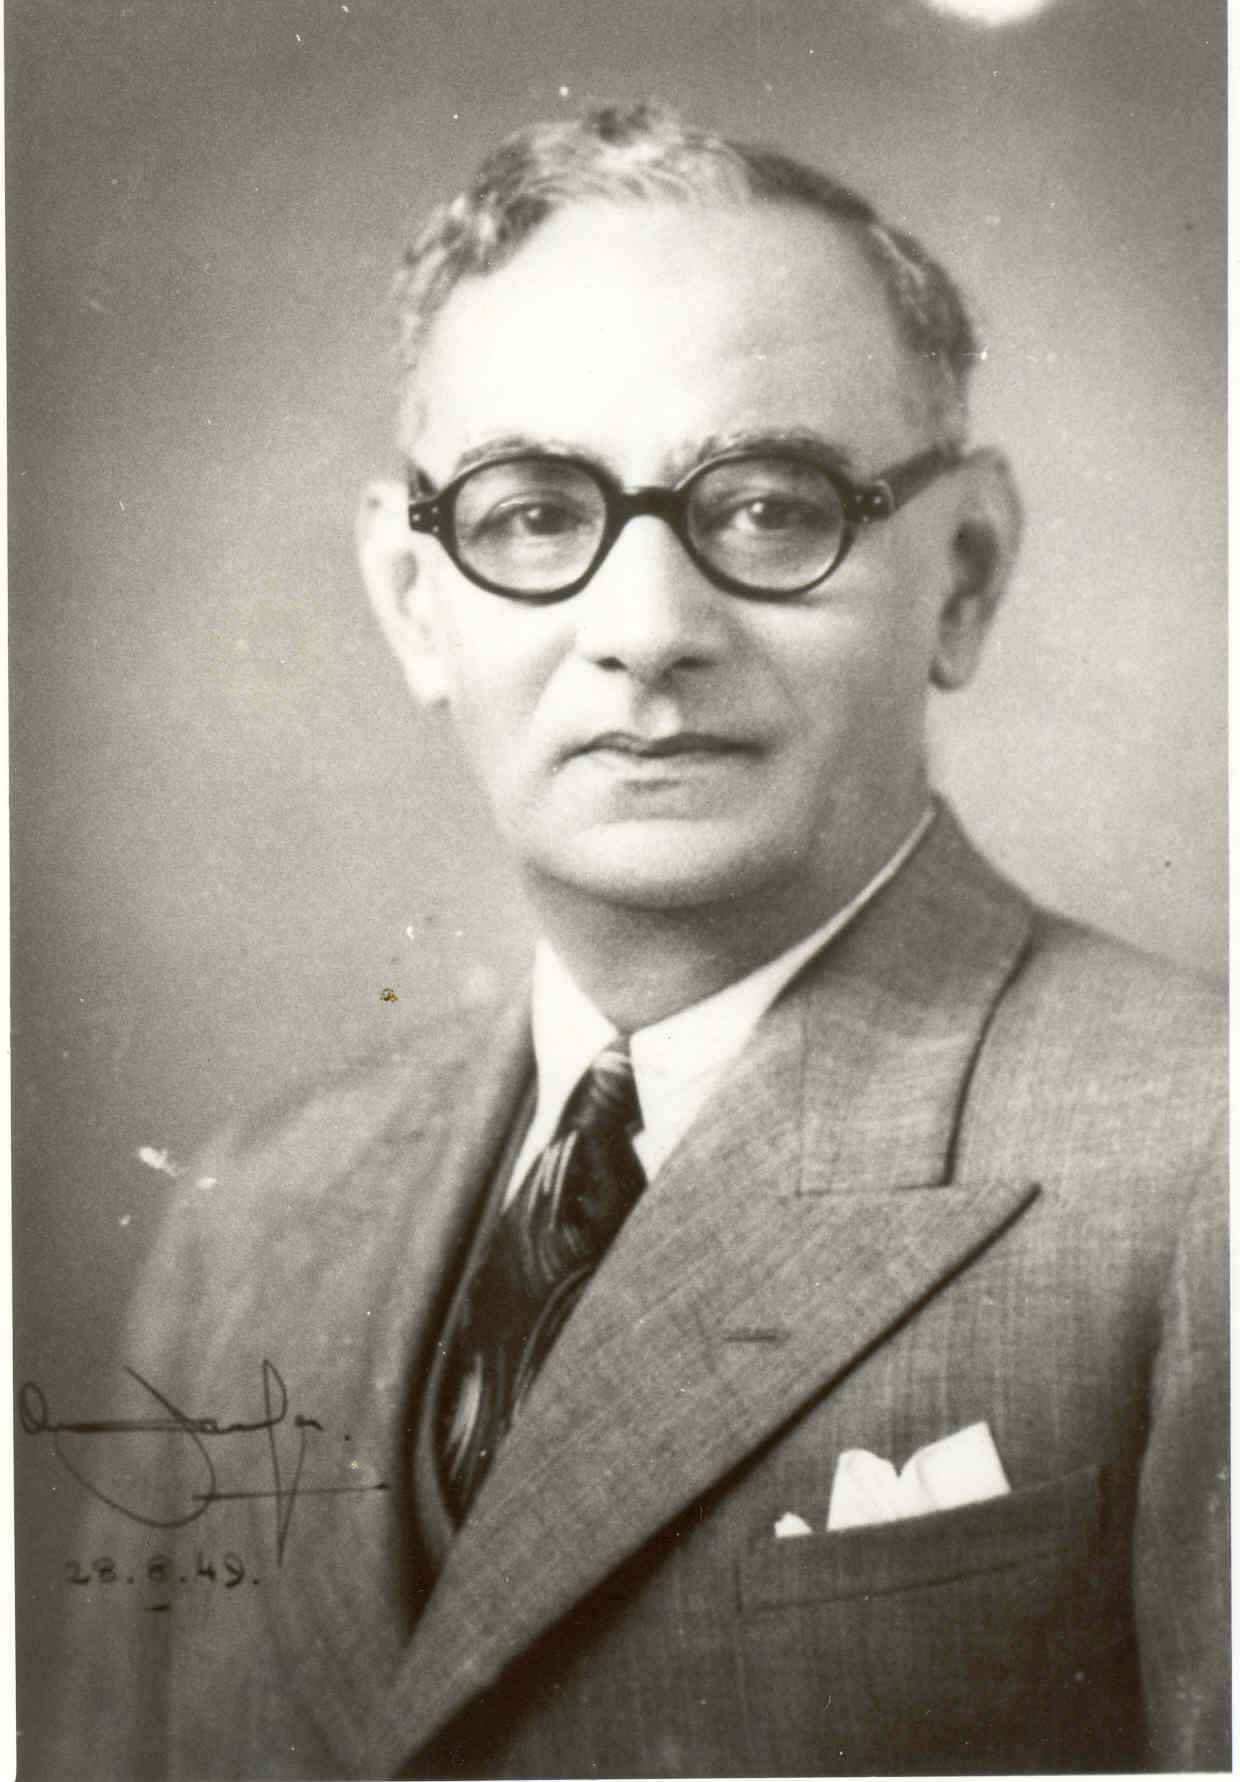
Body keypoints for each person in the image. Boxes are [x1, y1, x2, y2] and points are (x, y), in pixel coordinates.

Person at [45, 103, 1226, 1777]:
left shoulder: (1201, 1169)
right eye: (533, 515)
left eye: (770, 508)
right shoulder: (244, 1223)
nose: (650, 631)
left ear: (962, 574)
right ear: (414, 600)